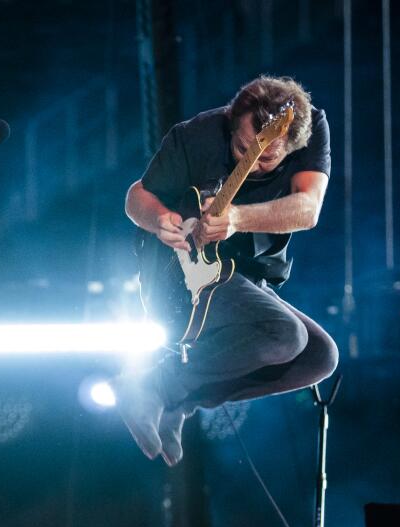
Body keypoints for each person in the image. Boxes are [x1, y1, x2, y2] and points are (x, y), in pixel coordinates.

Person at [117, 75, 339, 467]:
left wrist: (238, 218)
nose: (248, 161)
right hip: (177, 273)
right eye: (241, 147)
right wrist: (160, 220)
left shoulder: (310, 127)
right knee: (285, 335)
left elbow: (308, 210)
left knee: (320, 357)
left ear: (292, 146)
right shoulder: (197, 135)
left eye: (265, 158)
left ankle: (177, 399)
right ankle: (152, 385)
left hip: (244, 275)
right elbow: (137, 197)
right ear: (232, 122)